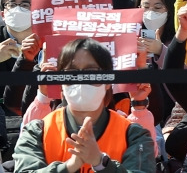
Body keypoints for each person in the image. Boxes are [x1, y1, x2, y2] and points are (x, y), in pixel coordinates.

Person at [13, 38, 155, 172]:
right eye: (71, 73)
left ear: (108, 81)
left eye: (91, 73)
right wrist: (69, 167)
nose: (81, 81)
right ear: (60, 82)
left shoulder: (134, 134)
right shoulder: (36, 131)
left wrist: (101, 163)